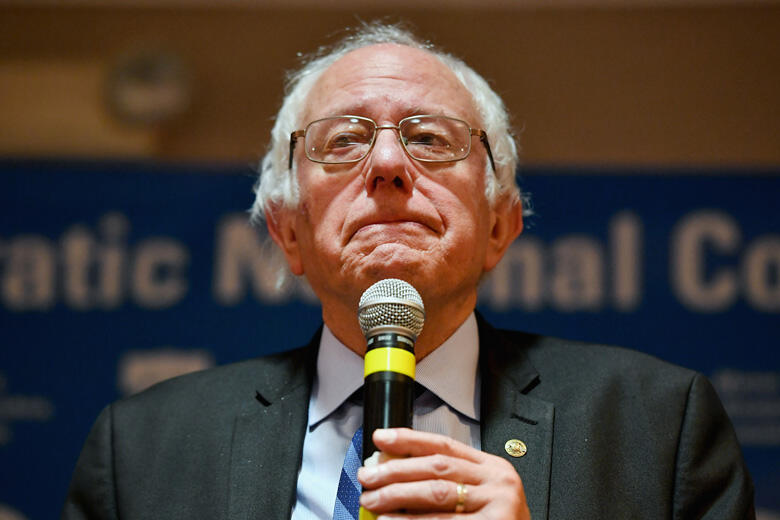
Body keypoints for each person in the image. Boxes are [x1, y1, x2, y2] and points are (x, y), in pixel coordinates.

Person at [62, 23, 754, 520]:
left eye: (429, 138)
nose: (389, 166)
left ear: (499, 226)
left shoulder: (659, 426)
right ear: (288, 232)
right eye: (344, 141)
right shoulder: (142, 451)